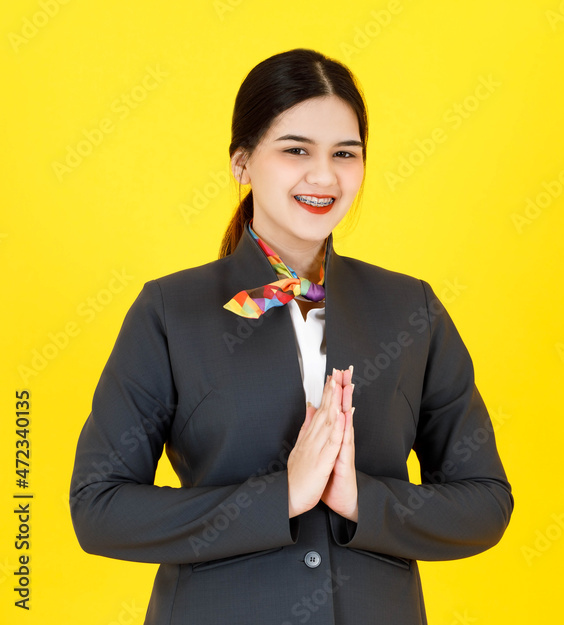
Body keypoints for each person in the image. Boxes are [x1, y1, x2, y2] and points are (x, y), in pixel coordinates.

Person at [69, 47, 513, 624]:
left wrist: (362, 502)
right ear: (243, 163)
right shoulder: (170, 311)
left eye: (345, 154)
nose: (324, 176)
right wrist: (280, 498)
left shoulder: (412, 310)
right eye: (296, 149)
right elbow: (100, 509)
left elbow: (485, 502)